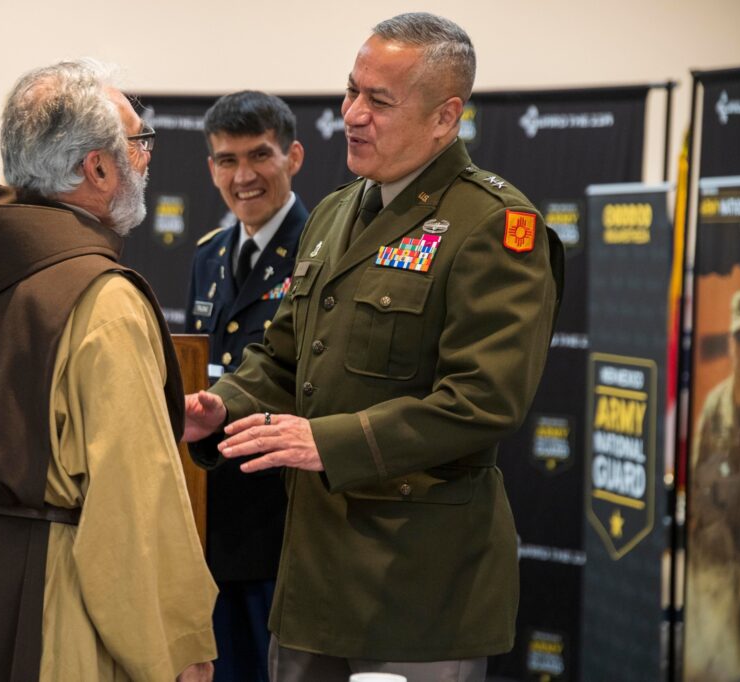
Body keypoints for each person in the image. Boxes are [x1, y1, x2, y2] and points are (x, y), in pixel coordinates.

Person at [185, 12, 563, 682]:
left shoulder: (494, 226)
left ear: (445, 118)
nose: (352, 114)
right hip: (309, 581)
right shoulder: (333, 213)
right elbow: (282, 357)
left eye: (378, 101)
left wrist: (327, 442)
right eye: (351, 90)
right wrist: (221, 406)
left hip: (417, 591)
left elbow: (483, 400)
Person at [0, 60, 216, 682]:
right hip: (53, 612)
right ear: (97, 168)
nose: (146, 159)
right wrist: (180, 652)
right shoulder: (103, 300)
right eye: (138, 143)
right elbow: (136, 511)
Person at [185, 91, 306, 682]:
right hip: (214, 519)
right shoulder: (208, 255)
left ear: (294, 157)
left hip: (285, 524)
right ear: (210, 168)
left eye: (259, 155)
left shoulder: (320, 252)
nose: (243, 176)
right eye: (226, 160)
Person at [691, 289, 740, 565]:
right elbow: (696, 472)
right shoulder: (714, 407)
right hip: (712, 549)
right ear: (730, 344)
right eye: (737, 339)